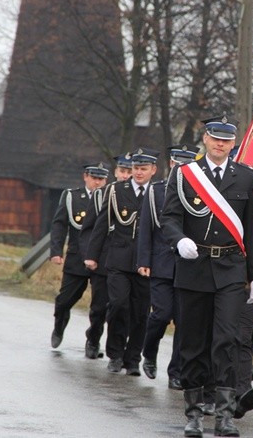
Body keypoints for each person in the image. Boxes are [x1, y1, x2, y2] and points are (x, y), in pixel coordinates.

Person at [160, 115, 253, 438]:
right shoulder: (184, 175)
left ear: (233, 143)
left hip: (231, 269)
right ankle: (193, 413)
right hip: (194, 268)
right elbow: (169, 218)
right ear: (205, 139)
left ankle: (223, 415)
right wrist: (179, 240)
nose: (220, 144)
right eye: (215, 138)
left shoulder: (246, 177)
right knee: (193, 341)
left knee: (227, 339)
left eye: (226, 139)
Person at [86, 148, 159, 376]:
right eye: (135, 168)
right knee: (118, 305)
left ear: (153, 170)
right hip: (118, 259)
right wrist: (92, 254)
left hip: (146, 262)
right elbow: (101, 223)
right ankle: (115, 354)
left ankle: (133, 358)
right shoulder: (116, 190)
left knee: (140, 312)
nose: (138, 173)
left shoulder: (158, 193)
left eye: (143, 168)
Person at [138, 144, 199, 390]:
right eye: (177, 163)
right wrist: (143, 260)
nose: (180, 168)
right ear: (171, 164)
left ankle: (176, 371)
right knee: (161, 314)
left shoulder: (199, 192)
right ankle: (149, 351)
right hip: (161, 264)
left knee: (184, 321)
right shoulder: (156, 191)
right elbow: (145, 228)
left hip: (188, 267)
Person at [49, 163, 109, 354]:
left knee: (100, 307)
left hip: (101, 259)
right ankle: (59, 326)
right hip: (77, 258)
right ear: (86, 177)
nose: (97, 182)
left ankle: (93, 341)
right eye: (94, 178)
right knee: (64, 300)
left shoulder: (110, 196)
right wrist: (56, 251)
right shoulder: (71, 196)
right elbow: (59, 225)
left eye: (101, 178)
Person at [79, 153, 134, 359]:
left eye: (130, 172)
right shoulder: (102, 194)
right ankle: (93, 337)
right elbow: (89, 229)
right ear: (116, 172)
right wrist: (89, 256)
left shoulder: (139, 195)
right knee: (99, 307)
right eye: (123, 171)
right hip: (102, 260)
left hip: (124, 260)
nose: (126, 176)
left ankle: (117, 349)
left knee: (120, 307)